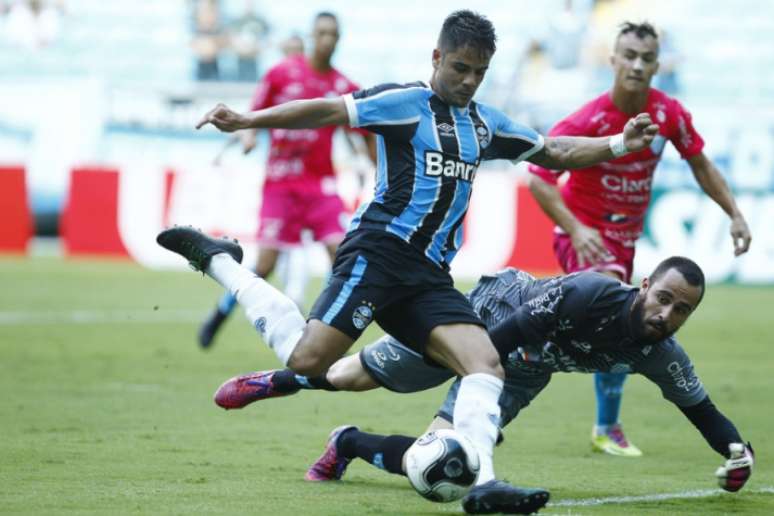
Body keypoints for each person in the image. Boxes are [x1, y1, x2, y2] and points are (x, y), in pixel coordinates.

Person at [158, 10, 659, 513]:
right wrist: (250, 120)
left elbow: (552, 150)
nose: (468, 81)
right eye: (460, 67)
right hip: (378, 254)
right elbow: (328, 111)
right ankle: (222, 262)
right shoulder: (404, 103)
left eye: (479, 72)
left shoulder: (485, 125)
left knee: (484, 364)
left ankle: (485, 484)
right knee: (308, 359)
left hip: (428, 278)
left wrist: (618, 144)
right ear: (437, 57)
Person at [214, 258, 754, 506]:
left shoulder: (661, 354)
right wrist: (475, 410)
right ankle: (283, 380)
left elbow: (701, 408)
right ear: (643, 287)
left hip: (525, 370)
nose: (668, 314)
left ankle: (346, 443)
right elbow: (504, 336)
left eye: (682, 310)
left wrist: (737, 452)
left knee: (445, 464)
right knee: (348, 375)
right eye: (664, 299)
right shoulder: (588, 295)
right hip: (487, 318)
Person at [526, 21, 752, 458]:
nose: (637, 65)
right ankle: (602, 422)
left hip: (623, 239)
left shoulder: (667, 113)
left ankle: (541, 352)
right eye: (628, 55)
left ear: (657, 64)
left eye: (646, 58)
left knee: (614, 323)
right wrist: (576, 228)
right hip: (586, 235)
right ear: (612, 61)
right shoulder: (588, 119)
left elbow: (700, 164)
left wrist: (735, 213)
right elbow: (539, 178)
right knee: (618, 314)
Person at [199, 11, 375, 348]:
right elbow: (254, 112)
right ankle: (220, 313)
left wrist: (376, 164)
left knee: (341, 257)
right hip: (281, 184)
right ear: (312, 35)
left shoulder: (343, 87)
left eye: (332, 35)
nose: (325, 40)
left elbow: (365, 132)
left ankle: (319, 330)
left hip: (320, 185)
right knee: (264, 264)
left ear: (338, 40)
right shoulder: (281, 74)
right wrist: (249, 139)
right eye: (320, 33)